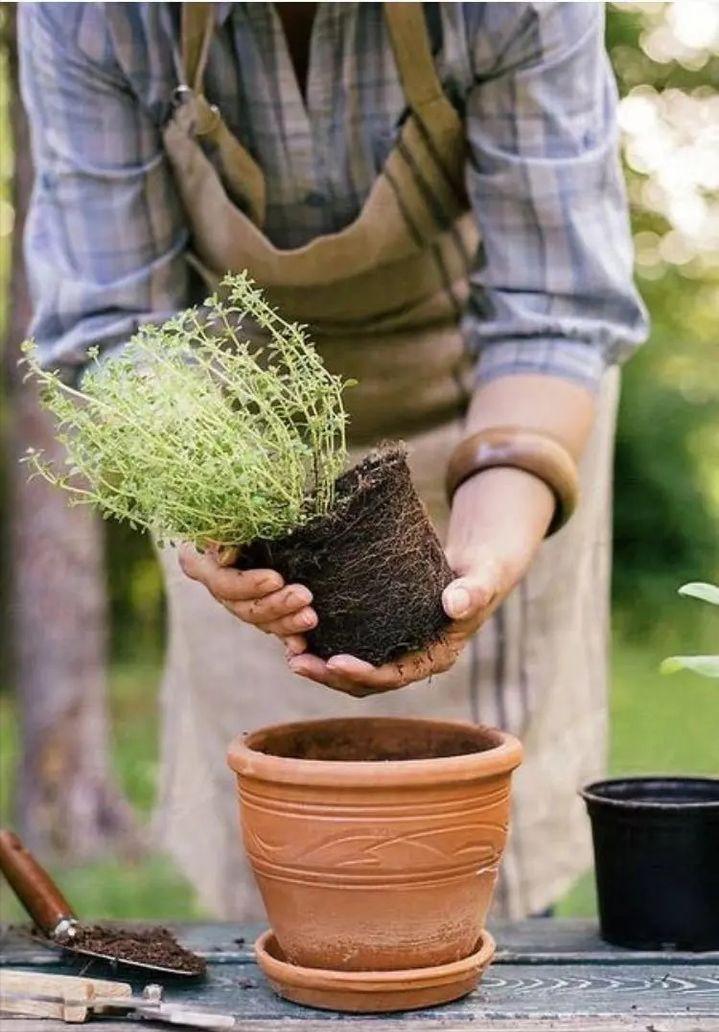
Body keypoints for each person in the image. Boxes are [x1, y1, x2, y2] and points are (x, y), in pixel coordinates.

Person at [19, 2, 647, 919]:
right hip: (229, 437)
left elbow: (551, 309)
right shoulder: (92, 15)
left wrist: (495, 529)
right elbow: (119, 330)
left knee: (480, 848)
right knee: (282, 840)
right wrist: (215, 519)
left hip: (488, 418)